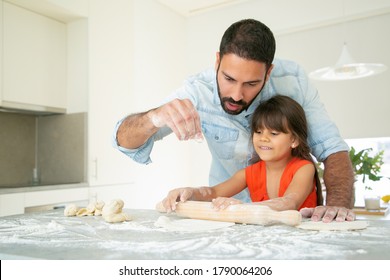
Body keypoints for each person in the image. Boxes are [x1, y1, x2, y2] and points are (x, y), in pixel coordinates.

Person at [113, 18, 355, 222]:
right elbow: (123, 141)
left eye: (251, 84)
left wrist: (337, 208)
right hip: (228, 216)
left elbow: (332, 150)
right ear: (217, 61)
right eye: (228, 78)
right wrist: (154, 118)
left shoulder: (293, 82)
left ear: (268, 73)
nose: (237, 95)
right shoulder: (197, 91)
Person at [161, 95, 323, 213]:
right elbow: (214, 192)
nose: (263, 139)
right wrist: (190, 192)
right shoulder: (249, 173)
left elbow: (289, 203)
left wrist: (241, 207)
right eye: (258, 132)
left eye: (274, 133)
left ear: (294, 140)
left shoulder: (304, 168)